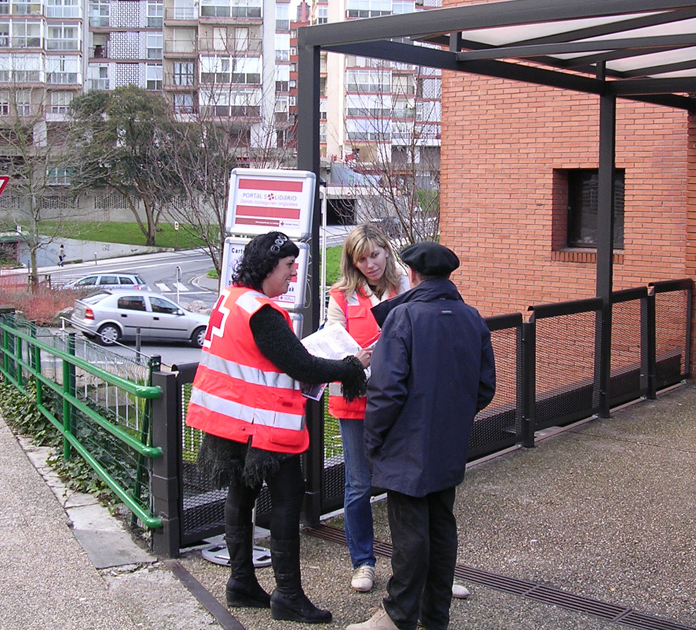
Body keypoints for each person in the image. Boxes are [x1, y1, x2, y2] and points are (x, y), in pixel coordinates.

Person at [186, 230, 371, 625]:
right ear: (269, 266)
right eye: (288, 265)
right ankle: (287, 595)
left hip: (229, 423)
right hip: (263, 428)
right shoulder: (264, 313)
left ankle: (240, 583)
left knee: (241, 495)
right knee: (287, 501)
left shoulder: (232, 299)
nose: (292, 274)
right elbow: (300, 365)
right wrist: (351, 366)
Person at [347, 242, 496, 630]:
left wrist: (374, 439)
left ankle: (398, 616)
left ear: (412, 275)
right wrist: (452, 418)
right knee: (441, 527)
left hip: (405, 444)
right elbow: (485, 387)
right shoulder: (471, 317)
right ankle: (435, 616)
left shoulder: (405, 317)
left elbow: (387, 390)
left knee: (410, 534)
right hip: (448, 441)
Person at [325, 223, 408, 593]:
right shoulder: (341, 295)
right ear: (352, 261)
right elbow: (333, 339)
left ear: (386, 251)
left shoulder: (403, 287)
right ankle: (363, 562)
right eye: (361, 258)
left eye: (374, 255)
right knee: (358, 483)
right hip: (355, 398)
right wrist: (357, 357)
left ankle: (411, 563)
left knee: (405, 484)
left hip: (396, 399)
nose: (370, 264)